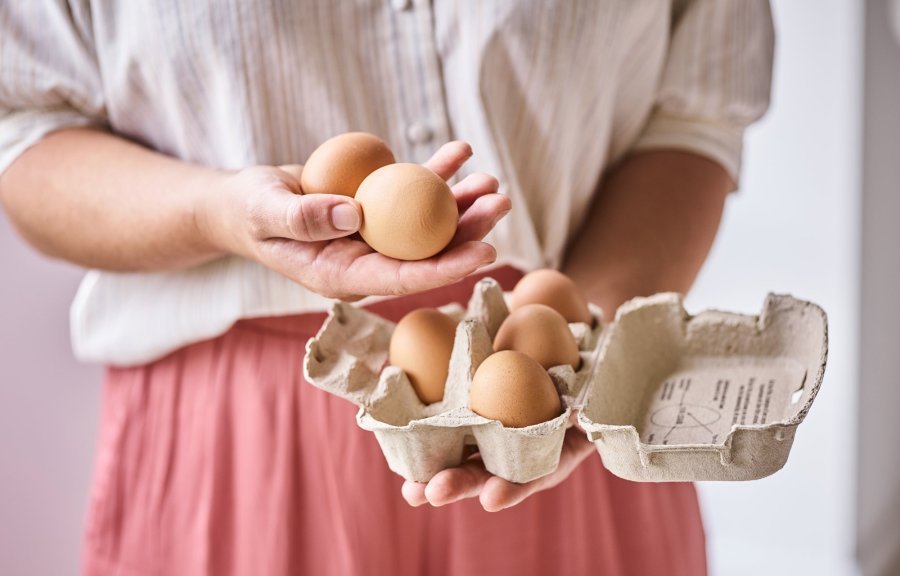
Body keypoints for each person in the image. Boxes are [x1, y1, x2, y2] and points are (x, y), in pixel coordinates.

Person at [0, 1, 774, 575]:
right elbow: (24, 134)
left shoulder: (557, 377)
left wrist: (574, 341)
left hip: (564, 410)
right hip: (246, 442)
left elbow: (693, 116)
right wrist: (223, 214)